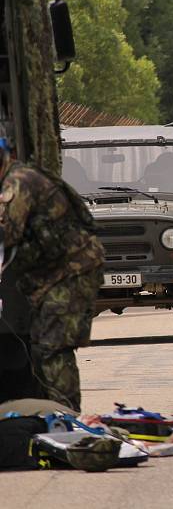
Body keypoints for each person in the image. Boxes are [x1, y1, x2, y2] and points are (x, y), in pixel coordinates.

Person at [0, 145, 104, 411]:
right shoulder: (17, 177)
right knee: (41, 346)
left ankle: (65, 416)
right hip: (55, 274)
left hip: (72, 271)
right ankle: (52, 412)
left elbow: (7, 233)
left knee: (52, 346)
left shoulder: (18, 183)